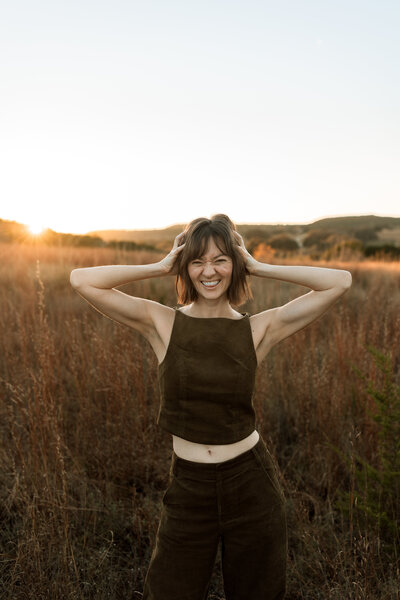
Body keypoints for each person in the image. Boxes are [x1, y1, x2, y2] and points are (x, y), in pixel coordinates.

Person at [70, 214, 352, 600]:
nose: (209, 271)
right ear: (184, 267)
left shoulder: (256, 329)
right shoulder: (163, 322)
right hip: (189, 487)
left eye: (221, 259)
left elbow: (340, 282)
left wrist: (258, 265)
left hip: (251, 483)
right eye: (197, 260)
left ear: (235, 265)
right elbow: (81, 280)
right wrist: (160, 266)